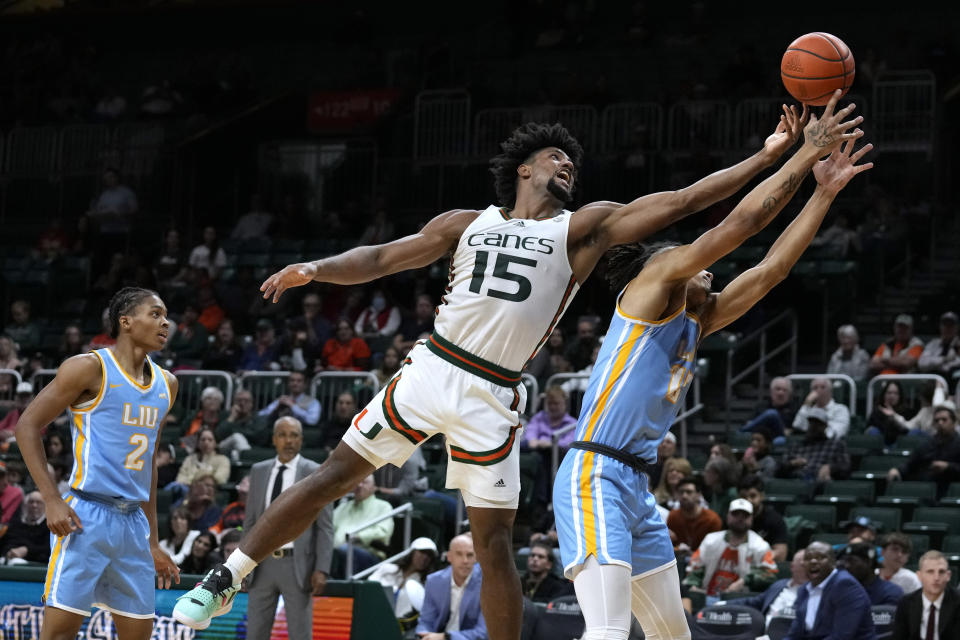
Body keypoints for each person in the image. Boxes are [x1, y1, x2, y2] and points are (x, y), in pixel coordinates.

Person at [173, 108, 856, 635]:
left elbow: (683, 204)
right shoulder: (464, 223)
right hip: (432, 368)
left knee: (494, 542)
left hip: (494, 396)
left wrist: (770, 155)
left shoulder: (582, 230)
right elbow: (382, 259)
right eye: (557, 158)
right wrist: (318, 268)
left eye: (573, 163)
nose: (568, 168)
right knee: (330, 477)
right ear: (525, 167)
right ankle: (225, 575)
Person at [553, 95, 870, 640]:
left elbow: (771, 270)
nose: (710, 273)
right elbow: (742, 224)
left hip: (636, 485)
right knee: (606, 631)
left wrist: (821, 193)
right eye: (699, 266)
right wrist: (800, 155)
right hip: (594, 474)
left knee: (674, 637)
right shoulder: (650, 288)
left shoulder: (698, 323)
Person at [13, 287, 180, 639]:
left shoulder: (168, 384)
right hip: (85, 517)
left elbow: (147, 465)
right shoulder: (89, 368)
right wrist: (52, 499)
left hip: (134, 524)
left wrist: (152, 542)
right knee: (58, 634)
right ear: (126, 322)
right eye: (155, 313)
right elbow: (27, 425)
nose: (166, 322)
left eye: (166, 315)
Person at [244, 416, 333, 640]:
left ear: (301, 440)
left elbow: (325, 527)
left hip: (297, 565)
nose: (288, 441)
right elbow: (250, 523)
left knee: (300, 634)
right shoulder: (258, 471)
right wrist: (242, 564)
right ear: (274, 439)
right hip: (260, 563)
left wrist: (322, 568)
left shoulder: (317, 472)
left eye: (294, 435)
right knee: (254, 633)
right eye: (283, 435)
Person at [683, 499, 778, 605]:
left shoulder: (760, 546)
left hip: (740, 600)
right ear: (728, 516)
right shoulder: (710, 540)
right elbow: (695, 567)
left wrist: (744, 581)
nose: (740, 518)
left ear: (751, 518)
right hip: (707, 596)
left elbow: (770, 575)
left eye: (745, 515)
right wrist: (693, 586)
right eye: (736, 514)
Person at [783, 541, 875, 640]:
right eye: (808, 558)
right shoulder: (804, 590)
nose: (813, 562)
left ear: (833, 562)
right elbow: (794, 634)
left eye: (820, 557)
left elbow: (841, 636)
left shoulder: (845, 585)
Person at [417, 534, 487, 640]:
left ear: (476, 558)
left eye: (470, 555)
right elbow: (426, 621)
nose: (465, 561)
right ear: (449, 557)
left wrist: (446, 637)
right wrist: (424, 635)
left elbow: (483, 633)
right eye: (459, 554)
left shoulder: (487, 585)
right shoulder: (434, 581)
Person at [887, 402, 960, 497]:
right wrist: (897, 470)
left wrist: (948, 466)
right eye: (937, 420)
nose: (940, 423)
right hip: (927, 491)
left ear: (954, 422)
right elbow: (910, 463)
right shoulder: (927, 444)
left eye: (944, 420)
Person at [331, 474, 394, 577]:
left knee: (345, 550)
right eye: (357, 482)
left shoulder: (383, 506)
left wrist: (359, 536)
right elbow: (329, 529)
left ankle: (346, 587)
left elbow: (383, 533)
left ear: (373, 488)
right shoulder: (342, 507)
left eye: (364, 482)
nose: (359, 485)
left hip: (369, 555)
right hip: (337, 552)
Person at [369, 536, 439, 626]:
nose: (425, 557)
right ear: (412, 552)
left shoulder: (425, 584)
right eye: (422, 552)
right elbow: (368, 589)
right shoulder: (386, 568)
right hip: (372, 617)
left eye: (429, 555)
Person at [891, 550, 960, 640]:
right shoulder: (906, 603)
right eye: (930, 572)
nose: (936, 578)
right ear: (919, 576)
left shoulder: (957, 602)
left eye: (941, 572)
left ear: (948, 576)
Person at [779, 407, 851, 484]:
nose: (813, 426)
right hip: (795, 482)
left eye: (817, 424)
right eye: (811, 423)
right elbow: (779, 467)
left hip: (820, 484)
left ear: (825, 426)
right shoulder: (796, 446)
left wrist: (830, 468)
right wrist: (793, 463)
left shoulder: (836, 445)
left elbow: (845, 466)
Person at [737, 549, 808, 627]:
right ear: (792, 567)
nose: (808, 569)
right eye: (803, 565)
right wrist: (722, 603)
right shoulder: (779, 585)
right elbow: (752, 602)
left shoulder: (813, 593)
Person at [667, 476, 723, 559]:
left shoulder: (712, 519)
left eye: (689, 492)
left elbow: (714, 550)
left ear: (699, 495)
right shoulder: (673, 517)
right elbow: (669, 548)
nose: (684, 496)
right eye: (681, 492)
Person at [737, 474, 788, 561]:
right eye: (743, 497)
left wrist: (755, 558)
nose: (748, 501)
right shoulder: (733, 518)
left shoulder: (774, 520)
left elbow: (781, 554)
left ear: (762, 496)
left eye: (753, 496)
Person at [839, 542, 903, 606]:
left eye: (852, 561)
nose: (847, 566)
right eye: (845, 561)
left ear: (869, 562)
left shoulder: (890, 592)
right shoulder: (842, 591)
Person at [0, 490, 50, 564]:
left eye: (38, 502)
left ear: (45, 506)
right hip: (7, 560)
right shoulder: (16, 523)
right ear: (26, 505)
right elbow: (6, 542)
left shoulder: (49, 526)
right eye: (31, 502)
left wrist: (27, 550)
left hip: (34, 566)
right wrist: (9, 551)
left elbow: (47, 549)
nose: (34, 505)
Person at [866, 380, 916, 446]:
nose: (892, 396)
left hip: (901, 444)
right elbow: (870, 428)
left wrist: (894, 416)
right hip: (881, 443)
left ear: (900, 396)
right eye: (889, 393)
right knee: (873, 431)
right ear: (884, 394)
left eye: (896, 393)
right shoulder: (877, 411)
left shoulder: (908, 411)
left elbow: (907, 430)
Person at [918, 311, 960, 378]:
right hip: (934, 379)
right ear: (940, 327)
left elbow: (954, 365)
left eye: (951, 325)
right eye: (945, 325)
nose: (948, 328)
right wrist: (945, 359)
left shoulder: (958, 344)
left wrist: (935, 365)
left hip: (954, 380)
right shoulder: (933, 344)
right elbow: (922, 363)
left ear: (957, 327)